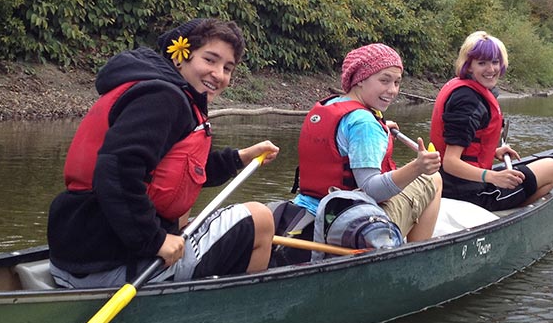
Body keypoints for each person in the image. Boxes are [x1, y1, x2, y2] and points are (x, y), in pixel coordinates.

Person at [47, 18, 280, 288]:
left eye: (227, 68)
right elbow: (116, 170)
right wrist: (154, 240)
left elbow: (185, 172)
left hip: (79, 258)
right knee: (260, 219)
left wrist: (241, 158)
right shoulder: (163, 98)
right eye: (210, 60)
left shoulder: (160, 89)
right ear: (181, 58)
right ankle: (238, 314)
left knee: (183, 218)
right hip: (110, 265)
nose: (219, 74)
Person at [293, 43, 442, 243]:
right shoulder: (364, 123)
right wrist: (417, 167)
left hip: (312, 208)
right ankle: (413, 253)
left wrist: (380, 127)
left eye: (397, 82)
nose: (392, 90)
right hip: (350, 220)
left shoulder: (330, 105)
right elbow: (370, 189)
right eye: (384, 80)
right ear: (360, 80)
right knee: (434, 179)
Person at [430, 31, 553, 211]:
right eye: (482, 63)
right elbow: (450, 162)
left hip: (452, 185)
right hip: (468, 194)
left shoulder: (465, 92)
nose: (491, 69)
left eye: (495, 62)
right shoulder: (469, 102)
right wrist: (493, 177)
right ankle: (504, 214)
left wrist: (491, 151)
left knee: (545, 167)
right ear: (469, 66)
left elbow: (462, 146)